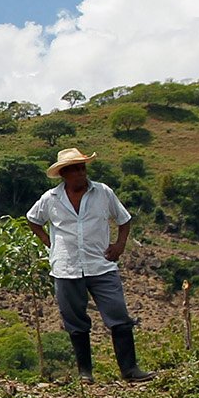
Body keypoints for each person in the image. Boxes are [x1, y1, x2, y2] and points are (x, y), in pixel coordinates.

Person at [26, 147, 151, 382]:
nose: (81, 173)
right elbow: (33, 220)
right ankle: (85, 373)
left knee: (118, 315)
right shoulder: (50, 199)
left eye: (83, 168)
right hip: (66, 267)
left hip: (101, 264)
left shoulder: (103, 193)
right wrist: (49, 244)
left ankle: (130, 370)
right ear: (64, 173)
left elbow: (124, 220)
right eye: (75, 169)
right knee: (75, 320)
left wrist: (120, 245)